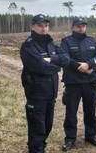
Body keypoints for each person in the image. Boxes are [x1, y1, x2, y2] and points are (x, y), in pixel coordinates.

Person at [20, 14, 70, 153]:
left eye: (46, 26)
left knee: (47, 126)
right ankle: (36, 149)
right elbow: (40, 66)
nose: (43, 29)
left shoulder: (50, 44)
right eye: (40, 26)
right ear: (32, 26)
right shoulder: (28, 46)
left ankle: (41, 148)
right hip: (36, 94)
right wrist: (56, 66)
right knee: (37, 128)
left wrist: (51, 58)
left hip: (51, 94)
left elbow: (66, 59)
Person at [60, 18, 96, 151]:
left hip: (90, 82)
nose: (81, 28)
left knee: (91, 111)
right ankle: (70, 139)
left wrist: (90, 64)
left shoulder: (92, 41)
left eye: (83, 26)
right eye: (78, 26)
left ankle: (91, 136)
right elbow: (64, 58)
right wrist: (80, 66)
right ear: (73, 27)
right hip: (73, 82)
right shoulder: (66, 42)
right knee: (71, 112)